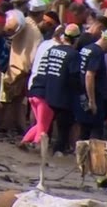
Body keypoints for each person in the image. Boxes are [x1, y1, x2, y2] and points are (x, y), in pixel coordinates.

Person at [77, 29, 107, 140]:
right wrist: (92, 101)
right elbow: (89, 75)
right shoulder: (97, 53)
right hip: (92, 95)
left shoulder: (87, 48)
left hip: (81, 93)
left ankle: (81, 151)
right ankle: (89, 154)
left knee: (85, 126)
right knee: (95, 127)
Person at [44, 24, 81, 155]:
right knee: (63, 128)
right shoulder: (74, 55)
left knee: (47, 125)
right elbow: (74, 77)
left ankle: (43, 149)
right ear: (76, 39)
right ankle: (58, 151)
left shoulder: (53, 50)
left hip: (50, 92)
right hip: (65, 96)